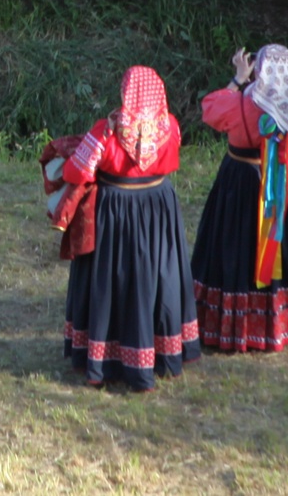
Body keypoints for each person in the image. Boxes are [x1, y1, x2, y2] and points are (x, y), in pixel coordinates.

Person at [59, 65, 200, 391]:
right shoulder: (172, 129)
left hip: (115, 214)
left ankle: (106, 357)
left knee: (112, 279)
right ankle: (161, 353)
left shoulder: (104, 133)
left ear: (125, 94)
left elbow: (73, 173)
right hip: (158, 211)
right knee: (158, 279)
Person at [190, 45, 288, 356]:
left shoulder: (239, 102)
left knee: (231, 244)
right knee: (270, 243)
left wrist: (238, 79)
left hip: (237, 181)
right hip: (273, 183)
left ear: (259, 68)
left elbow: (210, 109)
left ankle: (225, 325)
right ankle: (272, 325)